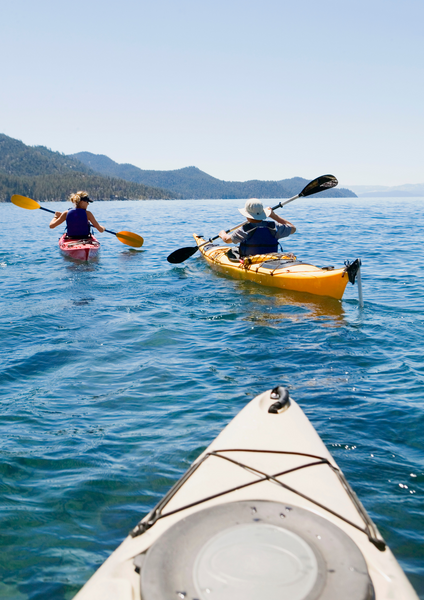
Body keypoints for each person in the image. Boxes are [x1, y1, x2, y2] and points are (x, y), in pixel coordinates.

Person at [219, 199, 296, 257]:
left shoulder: (244, 229)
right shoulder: (274, 227)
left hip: (251, 261)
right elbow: (293, 228)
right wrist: (274, 216)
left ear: (247, 215)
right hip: (271, 259)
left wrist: (222, 234)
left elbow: (227, 240)